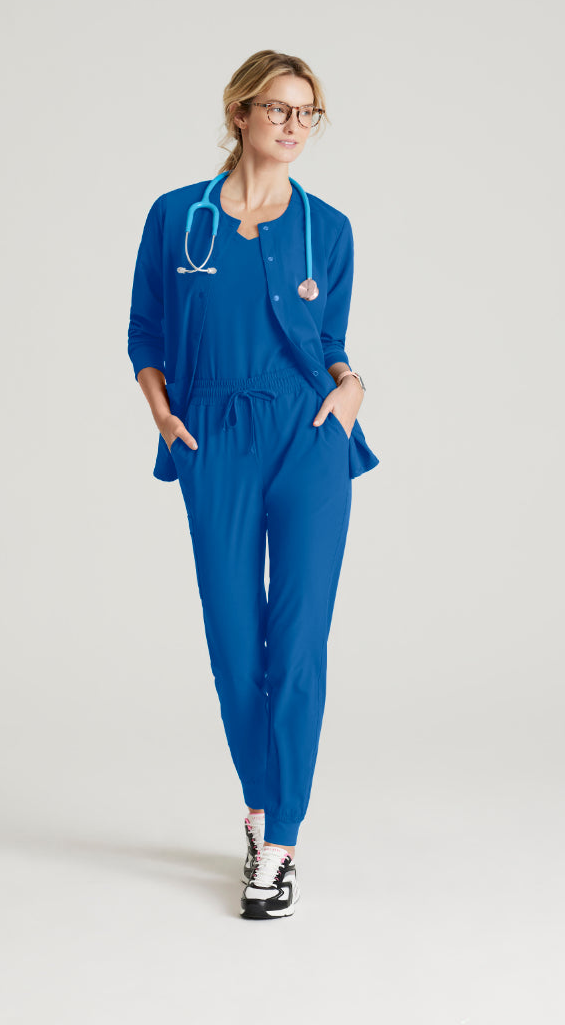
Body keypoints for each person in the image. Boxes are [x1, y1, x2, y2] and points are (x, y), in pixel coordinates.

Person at [127, 49, 379, 919]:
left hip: (308, 438)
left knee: (298, 644)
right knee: (236, 645)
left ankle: (279, 843)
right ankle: (262, 801)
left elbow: (329, 341)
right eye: (278, 109)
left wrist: (352, 388)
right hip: (215, 439)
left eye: (308, 113)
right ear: (240, 112)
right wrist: (164, 416)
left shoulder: (327, 228)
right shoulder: (176, 217)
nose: (294, 125)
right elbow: (146, 331)